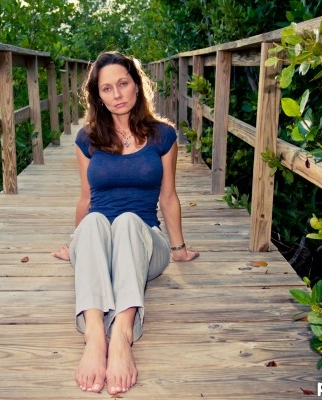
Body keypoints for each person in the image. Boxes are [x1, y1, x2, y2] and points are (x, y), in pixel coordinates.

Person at [52, 51, 199, 395]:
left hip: (145, 242)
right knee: (94, 223)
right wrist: (76, 243)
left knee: (129, 221)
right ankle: (93, 337)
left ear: (137, 86)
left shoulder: (163, 136)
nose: (116, 94)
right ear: (98, 96)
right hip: (100, 242)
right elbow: (86, 199)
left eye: (122, 84)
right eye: (106, 88)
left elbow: (168, 197)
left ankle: (121, 334)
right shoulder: (86, 140)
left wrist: (178, 248)